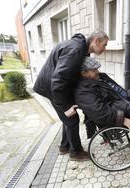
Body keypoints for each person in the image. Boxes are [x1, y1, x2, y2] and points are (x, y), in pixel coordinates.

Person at [33, 30, 109, 161]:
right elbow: (58, 80)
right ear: (95, 41)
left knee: (67, 119)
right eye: (104, 44)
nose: (104, 48)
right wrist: (65, 106)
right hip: (52, 88)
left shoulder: (82, 48)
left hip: (55, 87)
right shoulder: (76, 50)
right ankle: (76, 153)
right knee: (72, 119)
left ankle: (64, 146)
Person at [74, 57, 130, 130]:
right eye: (94, 70)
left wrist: (126, 95)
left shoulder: (99, 77)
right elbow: (100, 113)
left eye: (97, 69)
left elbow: (115, 90)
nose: (97, 72)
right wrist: (122, 119)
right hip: (113, 108)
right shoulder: (83, 91)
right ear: (84, 73)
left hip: (117, 101)